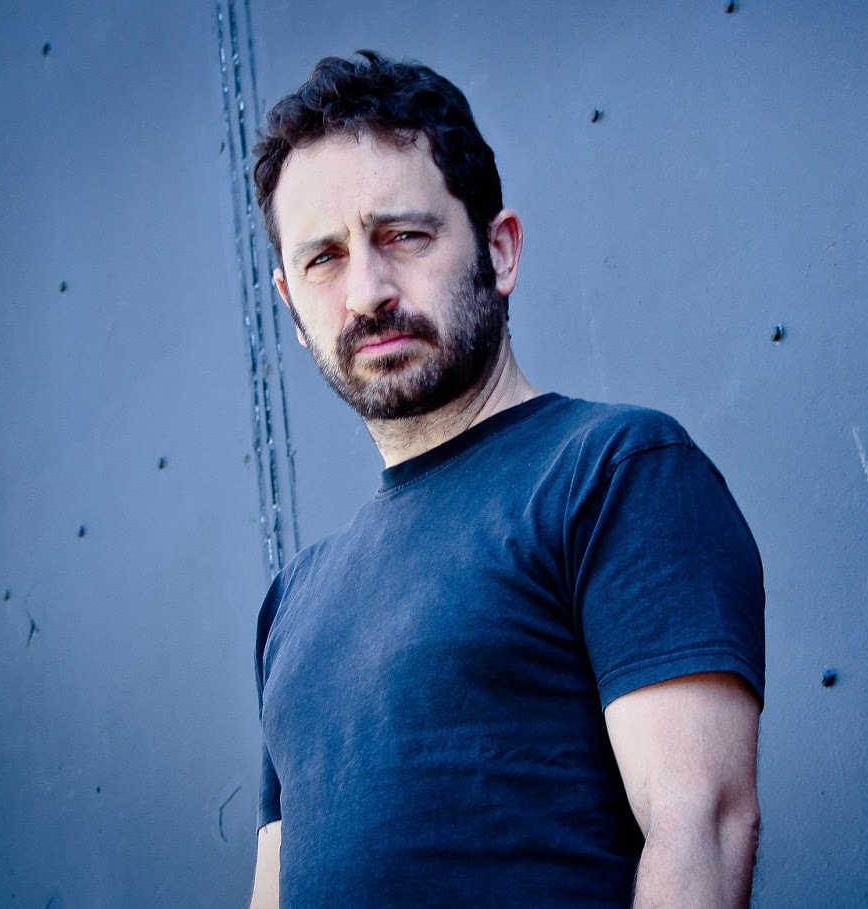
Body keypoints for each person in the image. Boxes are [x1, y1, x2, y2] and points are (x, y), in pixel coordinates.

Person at [246, 51, 766, 908]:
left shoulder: (615, 471)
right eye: (324, 259)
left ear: (500, 250)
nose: (367, 291)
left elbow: (701, 829)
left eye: (403, 236)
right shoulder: (291, 602)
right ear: (292, 309)